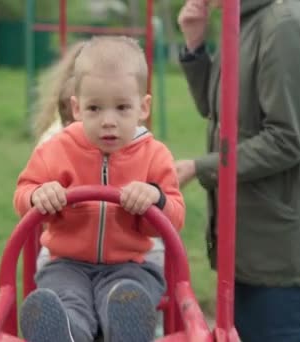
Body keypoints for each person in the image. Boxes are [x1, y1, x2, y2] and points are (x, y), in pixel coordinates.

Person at [176, 0, 300, 341]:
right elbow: (218, 111)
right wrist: (195, 44)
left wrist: (200, 168)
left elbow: (287, 139)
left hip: (286, 250)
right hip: (256, 240)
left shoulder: (286, 25)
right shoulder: (247, 19)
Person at [13, 36, 185, 342]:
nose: (109, 121)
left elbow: (175, 214)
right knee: (66, 301)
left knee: (124, 297)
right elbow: (23, 193)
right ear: (77, 108)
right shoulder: (56, 150)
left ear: (143, 107)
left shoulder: (154, 155)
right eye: (95, 108)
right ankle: (64, 332)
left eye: (121, 108)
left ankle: (125, 325)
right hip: (66, 263)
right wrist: (39, 195)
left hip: (130, 265)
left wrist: (156, 198)